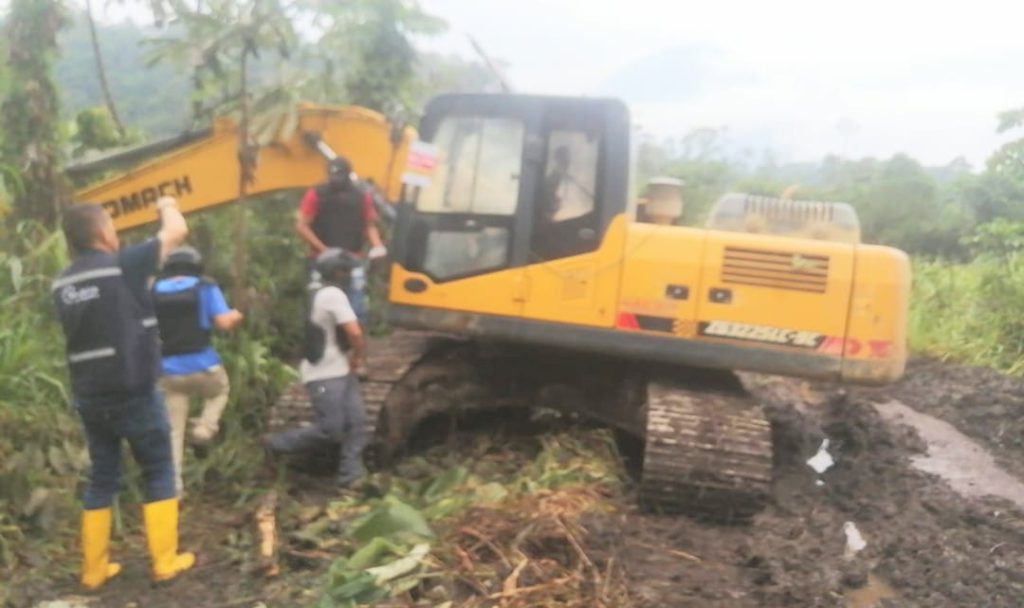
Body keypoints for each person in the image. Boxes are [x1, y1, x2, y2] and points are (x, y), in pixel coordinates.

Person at [52, 196, 194, 589]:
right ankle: (165, 562)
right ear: (100, 233)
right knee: (158, 469)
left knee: (102, 477)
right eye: (112, 228)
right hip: (134, 389)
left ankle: (94, 570)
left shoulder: (61, 283)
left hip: (90, 396)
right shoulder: (123, 265)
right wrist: (166, 203)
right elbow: (176, 230)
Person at [264, 248, 368, 488]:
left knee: (357, 422)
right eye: (347, 271)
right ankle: (276, 443)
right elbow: (354, 331)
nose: (350, 275)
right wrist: (359, 356)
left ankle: (350, 475)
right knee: (331, 429)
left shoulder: (319, 292)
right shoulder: (332, 294)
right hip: (325, 375)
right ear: (337, 272)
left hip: (340, 370)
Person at [153, 246, 244, 495]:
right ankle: (204, 430)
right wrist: (236, 315)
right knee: (220, 392)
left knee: (173, 432)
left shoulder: (154, 289)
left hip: (168, 371)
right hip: (203, 366)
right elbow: (224, 323)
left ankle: (174, 489)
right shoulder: (204, 286)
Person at [294, 157, 387, 326]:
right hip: (321, 260)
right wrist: (324, 249)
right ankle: (316, 346)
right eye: (333, 175)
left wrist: (377, 245)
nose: (336, 179)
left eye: (340, 175)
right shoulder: (316, 194)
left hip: (351, 259)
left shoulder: (361, 196)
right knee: (317, 308)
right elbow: (302, 226)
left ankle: (356, 346)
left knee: (356, 309)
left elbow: (369, 224)